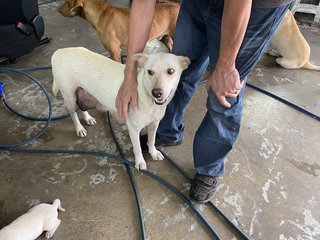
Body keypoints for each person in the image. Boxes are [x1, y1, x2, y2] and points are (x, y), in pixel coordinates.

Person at [116, 0, 294, 204]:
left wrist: (226, 66)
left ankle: (209, 166)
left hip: (255, 8)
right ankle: (167, 131)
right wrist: (129, 74)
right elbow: (142, 3)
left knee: (224, 92)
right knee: (178, 72)